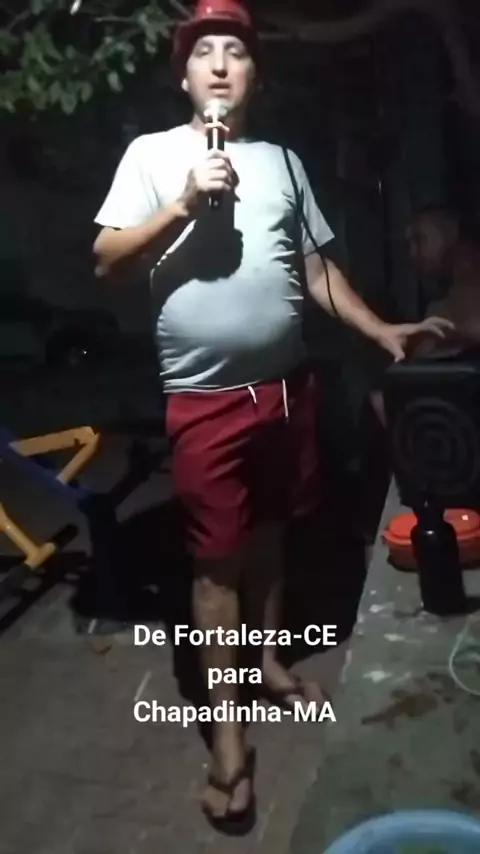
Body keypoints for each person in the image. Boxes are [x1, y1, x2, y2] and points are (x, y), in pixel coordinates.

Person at [92, 0, 452, 834]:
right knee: (216, 568)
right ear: (185, 75)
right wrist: (184, 206)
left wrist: (380, 329)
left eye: (237, 51)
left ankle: (268, 660)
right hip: (205, 401)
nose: (221, 63)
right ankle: (229, 744)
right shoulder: (152, 157)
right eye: (205, 51)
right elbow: (107, 261)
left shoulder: (284, 164)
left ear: (255, 74)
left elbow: (316, 269)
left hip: (287, 393)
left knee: (273, 537)